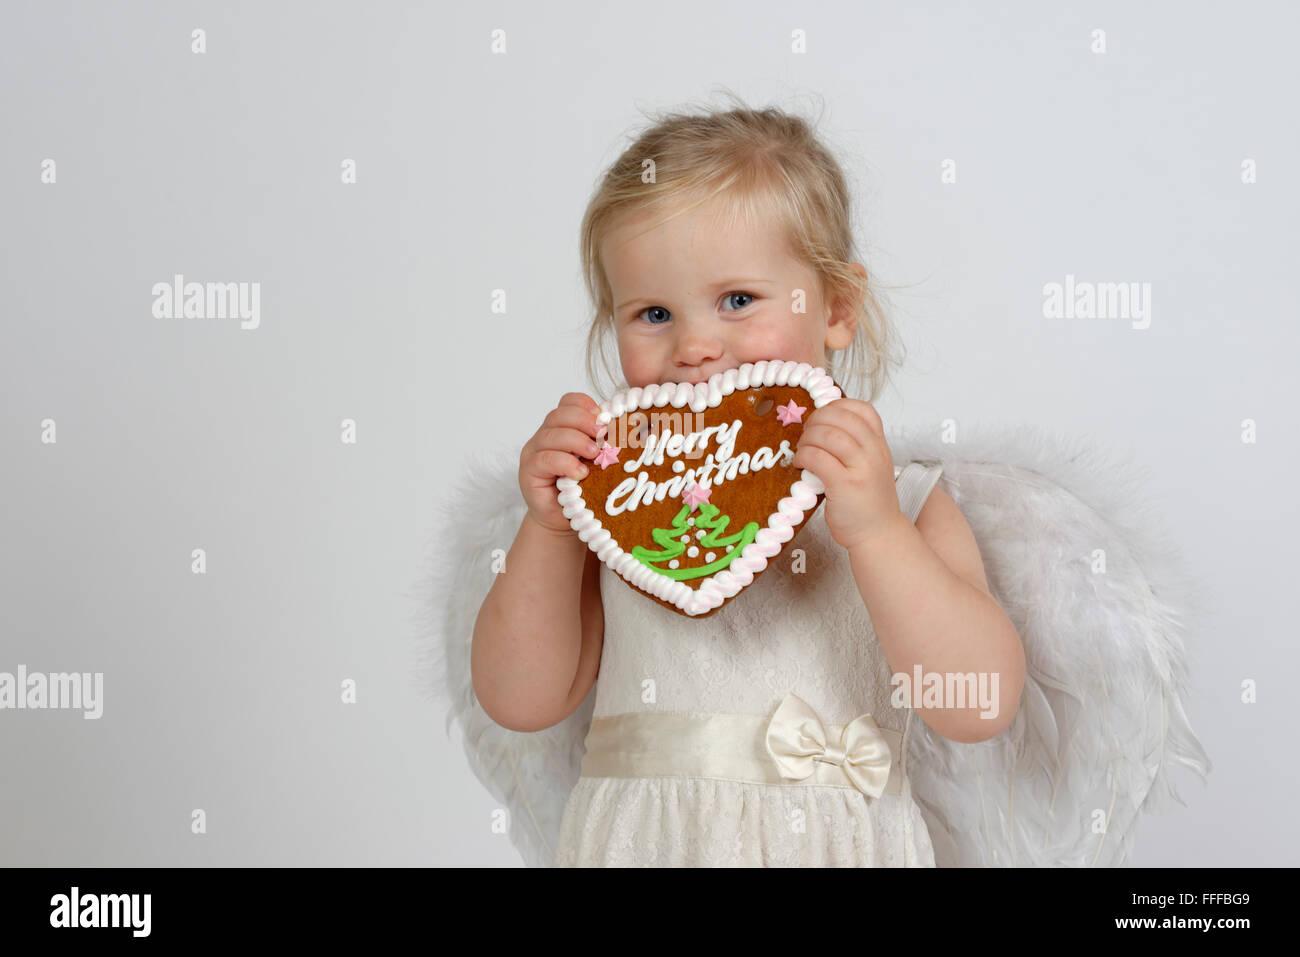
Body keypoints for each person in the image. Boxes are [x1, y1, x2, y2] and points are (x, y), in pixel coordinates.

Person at [470, 97, 1026, 866]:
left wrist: (876, 533)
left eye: (738, 300)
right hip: (641, 843)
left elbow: (980, 705)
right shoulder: (613, 510)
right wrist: (548, 527)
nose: (696, 345)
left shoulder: (906, 499)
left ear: (837, 307)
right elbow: (518, 700)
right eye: (654, 312)